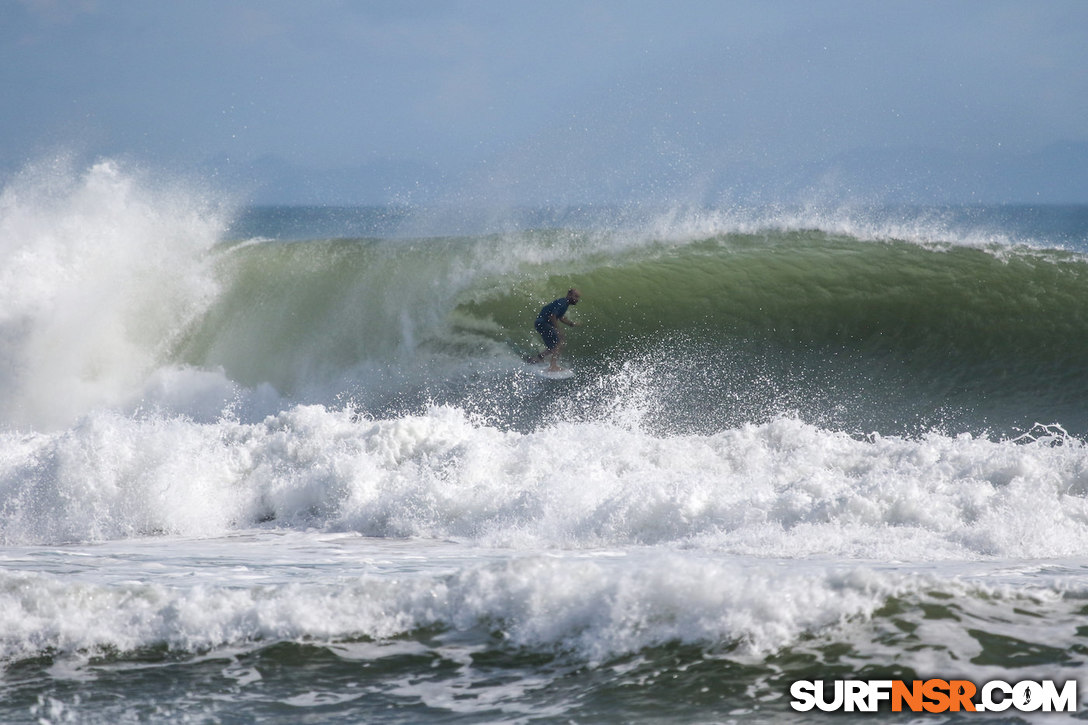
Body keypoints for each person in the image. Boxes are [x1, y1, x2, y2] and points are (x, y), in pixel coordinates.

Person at [529, 288, 581, 371]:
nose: (577, 299)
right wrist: (557, 329)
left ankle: (537, 358)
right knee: (559, 343)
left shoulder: (564, 303)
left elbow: (560, 318)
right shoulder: (563, 302)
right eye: (576, 296)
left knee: (557, 344)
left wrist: (571, 324)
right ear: (569, 294)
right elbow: (552, 316)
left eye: (578, 297)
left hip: (541, 323)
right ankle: (553, 366)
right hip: (543, 323)